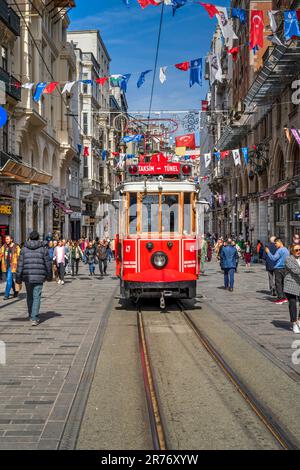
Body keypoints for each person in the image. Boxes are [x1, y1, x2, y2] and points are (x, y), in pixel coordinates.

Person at [15, 231, 52, 326]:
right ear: (38, 238)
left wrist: (18, 277)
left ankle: (31, 314)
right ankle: (34, 317)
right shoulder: (43, 249)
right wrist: (49, 276)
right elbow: (48, 264)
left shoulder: (24, 249)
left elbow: (20, 264)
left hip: (27, 277)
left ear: (30, 238)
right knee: (37, 296)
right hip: (39, 276)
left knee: (29, 296)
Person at [265, 238, 289, 304]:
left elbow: (273, 258)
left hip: (278, 268)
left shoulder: (280, 250)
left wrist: (268, 252)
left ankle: (280, 298)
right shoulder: (286, 250)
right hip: (285, 268)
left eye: (276, 243)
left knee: (278, 284)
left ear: (279, 242)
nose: (275, 245)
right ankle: (284, 297)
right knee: (283, 283)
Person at [284, 244, 300, 334]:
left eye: (299, 250)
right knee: (293, 303)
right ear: (292, 251)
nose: (298, 252)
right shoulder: (288, 259)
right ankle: (294, 323)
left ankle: (299, 320)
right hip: (291, 284)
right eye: (296, 250)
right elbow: (295, 270)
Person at [0, 235, 20, 300]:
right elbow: (0, 255)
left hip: (12, 266)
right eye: (6, 239)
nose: (6, 240)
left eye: (8, 239)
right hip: (5, 266)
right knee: (10, 280)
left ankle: (6, 294)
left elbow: (19, 256)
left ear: (11, 239)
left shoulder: (16, 247)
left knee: (8, 280)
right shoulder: (4, 247)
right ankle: (15, 291)